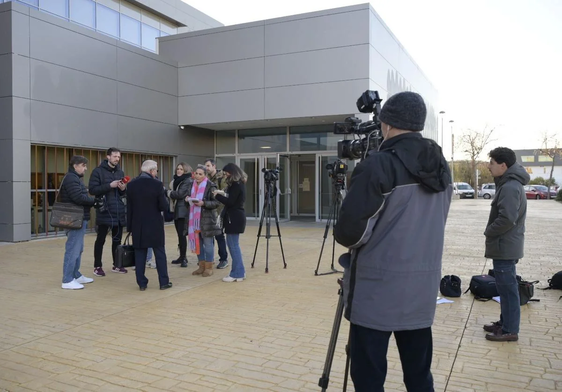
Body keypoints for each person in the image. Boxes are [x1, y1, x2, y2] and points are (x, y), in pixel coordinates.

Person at [334, 91, 452, 392]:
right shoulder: (441, 166)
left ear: (385, 124)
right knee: (419, 376)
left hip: (376, 292)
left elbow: (351, 234)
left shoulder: (378, 165)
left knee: (369, 378)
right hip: (421, 291)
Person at [483, 147, 529, 342]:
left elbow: (507, 219)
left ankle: (510, 330)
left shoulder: (510, 186)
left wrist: (489, 231)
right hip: (506, 245)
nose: (489, 166)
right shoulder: (508, 184)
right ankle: (505, 323)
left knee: (508, 291)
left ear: (503, 165)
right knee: (504, 288)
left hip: (505, 245)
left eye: (492, 163)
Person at [126, 160, 172, 291]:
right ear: (152, 171)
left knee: (140, 254)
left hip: (138, 224)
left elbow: (129, 208)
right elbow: (163, 206)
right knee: (160, 253)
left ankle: (142, 283)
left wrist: (129, 227)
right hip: (154, 224)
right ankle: (163, 282)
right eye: (156, 170)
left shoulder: (132, 185)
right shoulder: (157, 184)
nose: (156, 172)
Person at [60, 156, 97, 290]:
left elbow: (80, 196)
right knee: (73, 249)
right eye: (83, 165)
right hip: (74, 219)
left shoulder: (75, 178)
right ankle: (67, 279)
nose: (86, 168)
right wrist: (94, 201)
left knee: (78, 249)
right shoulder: (71, 178)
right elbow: (78, 198)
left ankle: (75, 274)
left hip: (79, 219)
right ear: (75, 166)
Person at [89, 147, 128, 276]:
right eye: (115, 156)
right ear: (108, 157)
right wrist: (109, 186)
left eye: (118, 157)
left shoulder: (120, 172)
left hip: (118, 210)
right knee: (100, 240)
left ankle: (117, 265)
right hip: (104, 211)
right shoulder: (97, 172)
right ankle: (97, 266)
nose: (117, 159)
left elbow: (122, 193)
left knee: (117, 240)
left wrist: (123, 189)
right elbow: (92, 190)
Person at [185, 165, 222, 277]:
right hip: (194, 220)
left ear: (205, 175)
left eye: (200, 174)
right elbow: (187, 201)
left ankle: (209, 267)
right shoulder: (191, 185)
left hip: (207, 219)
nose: (197, 175)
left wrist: (203, 203)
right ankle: (201, 266)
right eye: (196, 173)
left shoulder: (211, 186)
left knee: (208, 244)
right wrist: (187, 200)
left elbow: (216, 202)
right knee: (198, 243)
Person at [213, 163, 247, 283]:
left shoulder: (236, 185)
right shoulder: (239, 184)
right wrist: (222, 194)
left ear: (232, 172)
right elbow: (232, 198)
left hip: (234, 218)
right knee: (234, 246)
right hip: (235, 217)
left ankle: (237, 273)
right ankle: (239, 271)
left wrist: (217, 196)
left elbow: (231, 202)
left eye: (226, 173)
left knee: (233, 246)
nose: (225, 175)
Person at [167, 162, 193, 267]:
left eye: (181, 169)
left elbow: (179, 194)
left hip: (183, 211)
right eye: (178, 169)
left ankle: (184, 258)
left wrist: (168, 193)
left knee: (182, 235)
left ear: (185, 171)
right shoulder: (176, 181)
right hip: (177, 210)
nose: (179, 171)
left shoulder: (187, 181)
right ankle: (181, 256)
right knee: (179, 235)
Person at [204, 158, 229, 269]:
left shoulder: (221, 177)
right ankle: (210, 259)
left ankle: (223, 259)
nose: (207, 168)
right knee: (210, 235)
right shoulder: (206, 178)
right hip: (209, 210)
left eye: (208, 166)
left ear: (214, 166)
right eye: (206, 166)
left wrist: (217, 193)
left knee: (219, 235)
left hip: (219, 210)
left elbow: (225, 191)